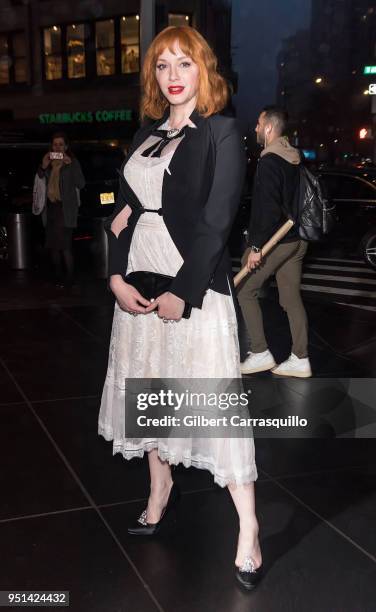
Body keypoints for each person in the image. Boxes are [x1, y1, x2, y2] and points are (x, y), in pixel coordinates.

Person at [98, 25, 262, 590]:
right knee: (151, 397)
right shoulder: (144, 134)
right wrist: (115, 276)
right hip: (137, 295)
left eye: (183, 64)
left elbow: (217, 223)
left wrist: (182, 292)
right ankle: (159, 491)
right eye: (162, 65)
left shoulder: (221, 132)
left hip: (191, 295)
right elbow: (119, 214)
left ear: (204, 72)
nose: (172, 75)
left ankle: (250, 530)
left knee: (212, 409)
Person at [237, 106, 311, 378]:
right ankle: (301, 358)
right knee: (291, 298)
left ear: (269, 127)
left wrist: (255, 247)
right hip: (298, 239)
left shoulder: (269, 160)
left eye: (258, 124)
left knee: (245, 290)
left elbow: (265, 210)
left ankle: (259, 352)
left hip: (277, 241)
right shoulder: (294, 158)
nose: (255, 128)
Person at [38, 132, 85, 287]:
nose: (57, 147)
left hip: (65, 211)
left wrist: (70, 164)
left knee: (65, 246)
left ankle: (69, 279)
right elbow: (39, 180)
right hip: (51, 209)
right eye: (55, 144)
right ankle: (58, 277)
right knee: (53, 246)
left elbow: (81, 183)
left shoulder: (72, 162)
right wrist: (43, 166)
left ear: (66, 146)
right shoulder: (49, 163)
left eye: (60, 144)